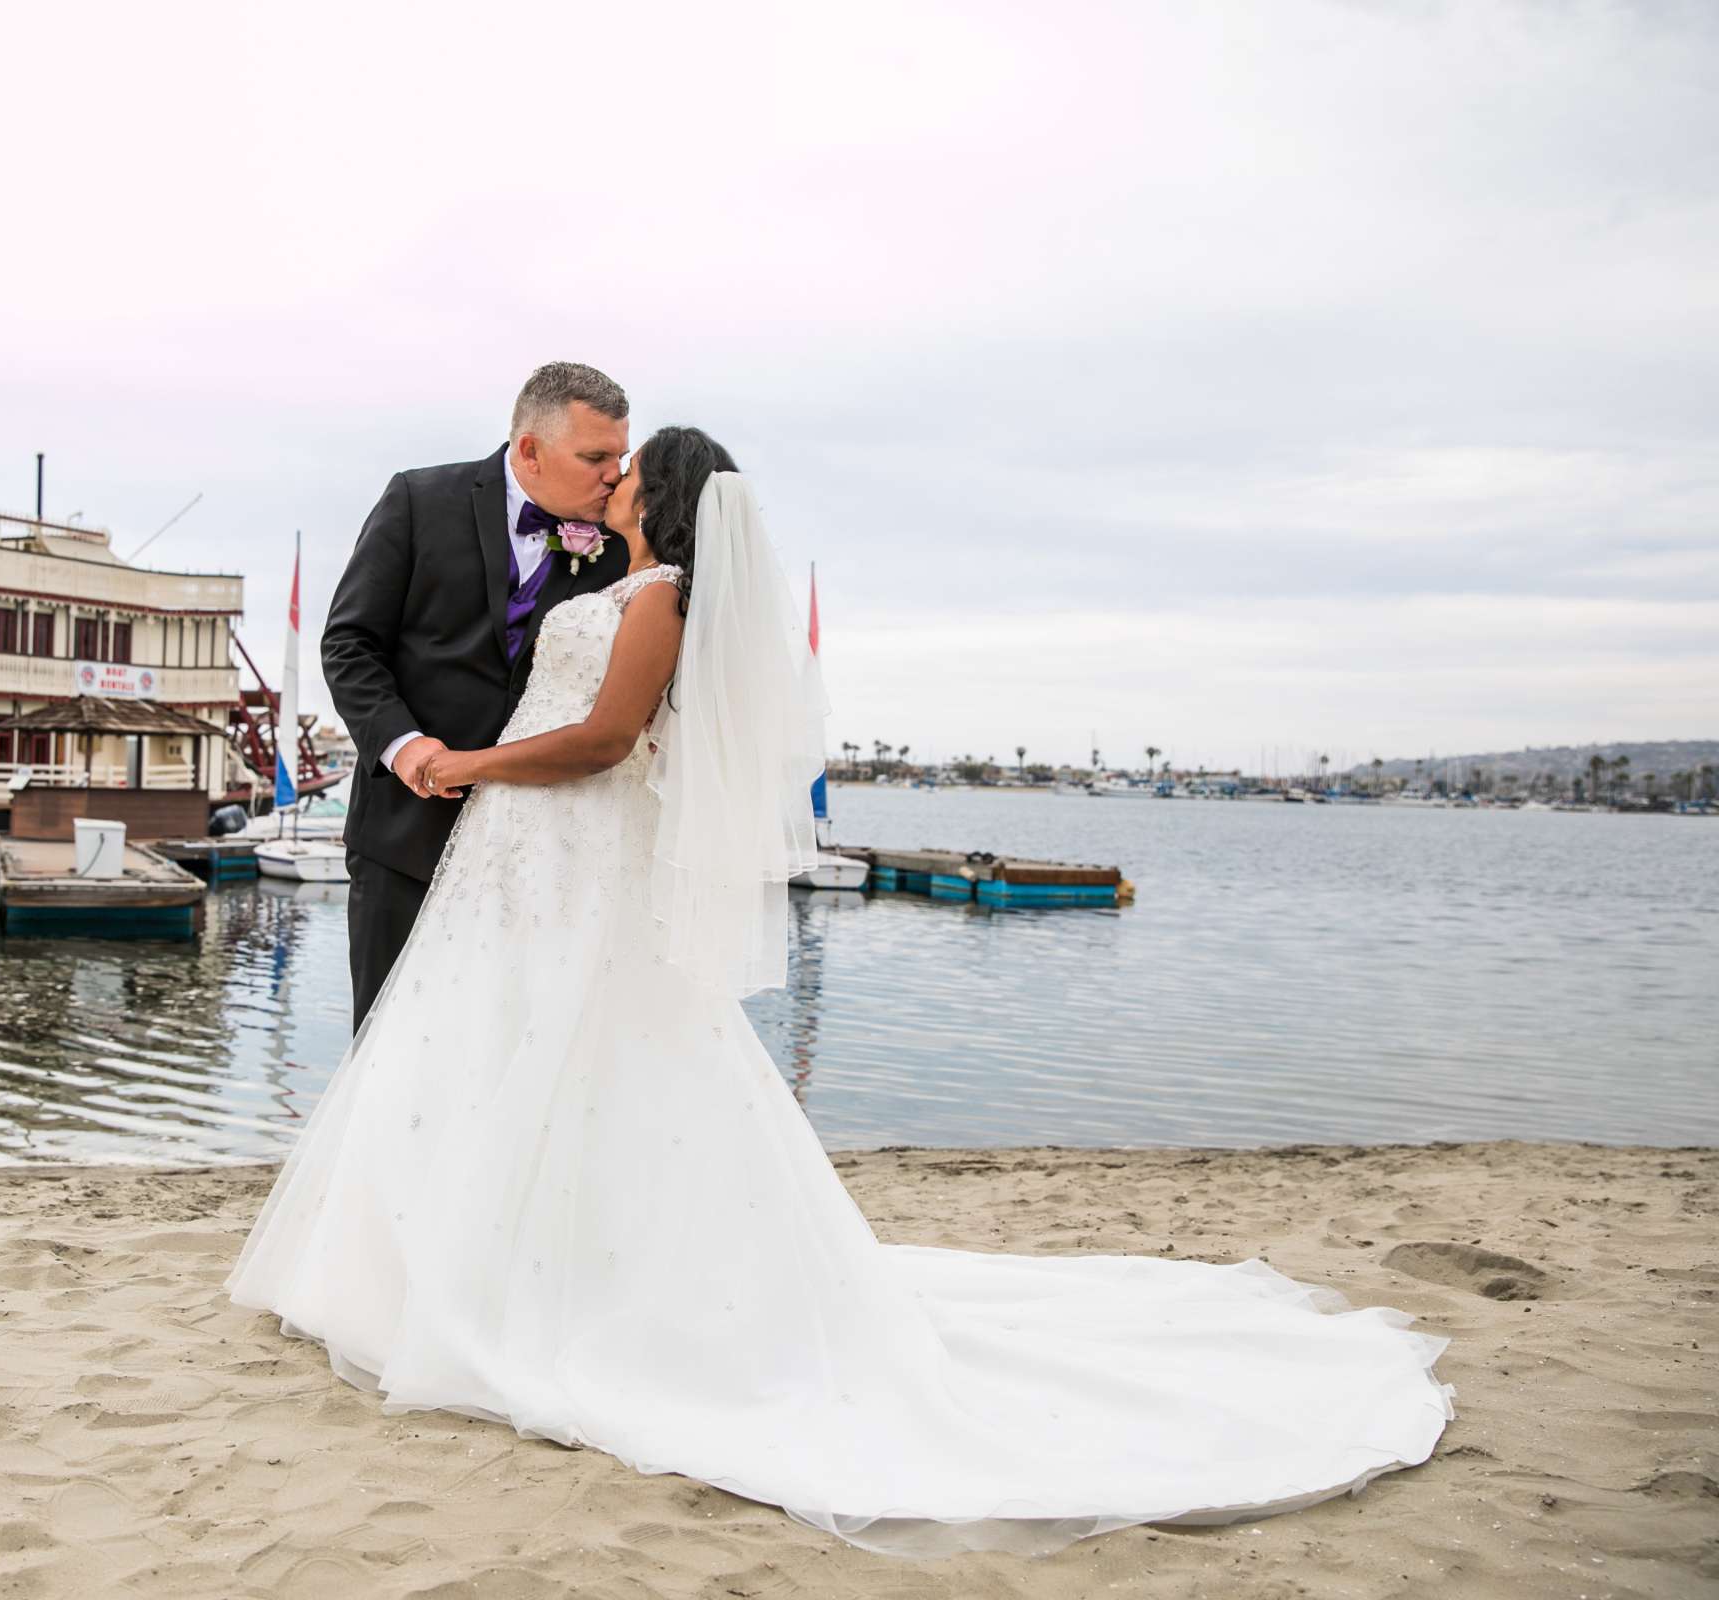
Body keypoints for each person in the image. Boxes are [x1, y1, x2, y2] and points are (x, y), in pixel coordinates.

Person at [230, 427, 1456, 1560]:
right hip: (523, 853)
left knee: (593, 1056)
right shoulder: (613, 579)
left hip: (565, 841)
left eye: (625, 470)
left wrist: (473, 765)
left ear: (663, 496)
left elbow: (604, 740)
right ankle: (450, 1263)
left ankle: (545, 1292)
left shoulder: (659, 599)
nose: (607, 483)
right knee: (491, 1052)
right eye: (598, 461)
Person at [321, 363, 634, 1029]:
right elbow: (349, 644)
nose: (613, 474)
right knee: (387, 1049)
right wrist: (405, 747)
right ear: (530, 450)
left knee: (506, 1055)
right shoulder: (418, 500)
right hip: (405, 835)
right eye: (595, 457)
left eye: (620, 457)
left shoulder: (621, 548)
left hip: (547, 850)